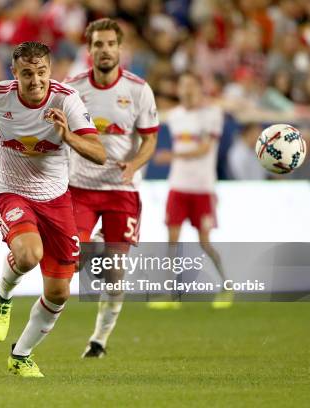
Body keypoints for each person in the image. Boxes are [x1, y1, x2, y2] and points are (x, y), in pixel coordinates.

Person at [0, 41, 105, 377]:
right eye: (27, 73)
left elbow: (99, 153)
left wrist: (67, 136)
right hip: (9, 190)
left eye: (41, 72)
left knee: (59, 292)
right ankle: (3, 293)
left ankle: (21, 355)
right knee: (29, 254)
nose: (35, 80)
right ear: (15, 73)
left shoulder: (66, 100)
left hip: (56, 198)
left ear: (50, 71)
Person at [65, 18, 159, 358]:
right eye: (98, 45)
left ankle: (99, 341)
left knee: (115, 270)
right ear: (89, 50)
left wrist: (134, 165)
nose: (104, 50)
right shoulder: (72, 88)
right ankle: (94, 243)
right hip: (79, 188)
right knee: (74, 262)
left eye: (110, 44)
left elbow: (150, 140)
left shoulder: (138, 90)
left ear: (120, 49)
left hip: (121, 190)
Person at [154, 71, 230, 309]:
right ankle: (170, 295)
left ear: (199, 88)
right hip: (178, 186)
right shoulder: (175, 116)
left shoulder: (212, 115)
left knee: (205, 242)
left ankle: (226, 287)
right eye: (183, 85)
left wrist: (172, 155)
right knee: (172, 240)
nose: (186, 90)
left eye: (191, 85)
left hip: (202, 188)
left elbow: (205, 149)